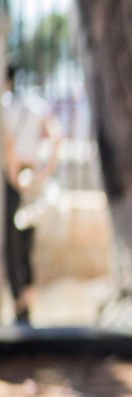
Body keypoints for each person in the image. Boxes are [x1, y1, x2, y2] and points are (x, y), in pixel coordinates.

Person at [2, 63, 62, 327]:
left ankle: (20, 306)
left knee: (13, 246)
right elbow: (57, 136)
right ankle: (26, 304)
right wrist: (46, 171)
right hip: (33, 180)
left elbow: (9, 144)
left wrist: (15, 175)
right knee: (27, 245)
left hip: (15, 181)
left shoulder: (6, 106)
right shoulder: (36, 105)